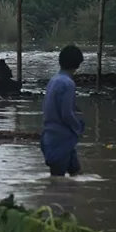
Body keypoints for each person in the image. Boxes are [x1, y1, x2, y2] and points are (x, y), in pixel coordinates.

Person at [41, 45, 85, 177]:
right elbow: (67, 114)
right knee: (57, 182)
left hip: (50, 136)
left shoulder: (53, 80)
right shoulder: (68, 83)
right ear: (77, 64)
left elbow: (49, 106)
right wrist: (78, 128)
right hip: (61, 139)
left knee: (76, 174)